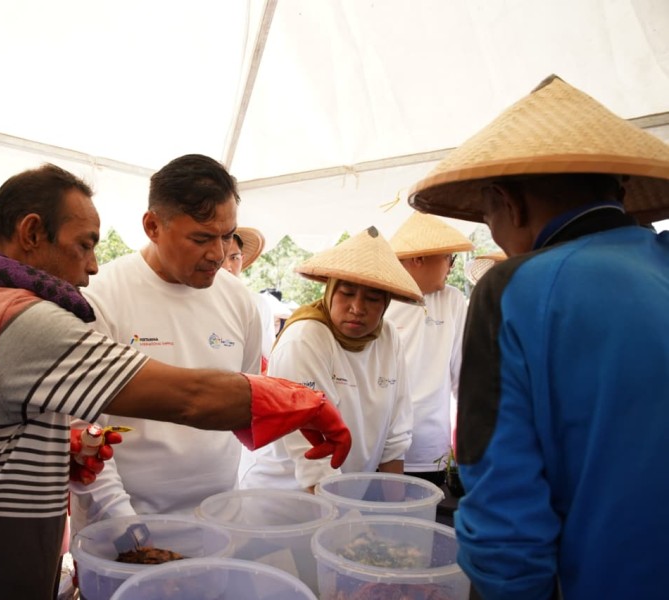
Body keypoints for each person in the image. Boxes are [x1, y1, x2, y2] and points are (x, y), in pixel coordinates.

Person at [0, 163, 351, 600]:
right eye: (84, 244)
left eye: (225, 237)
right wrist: (305, 403)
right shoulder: (19, 319)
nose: (92, 265)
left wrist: (65, 447)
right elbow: (190, 398)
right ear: (31, 233)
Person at [409, 74, 669, 599]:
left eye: (488, 216)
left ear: (509, 203)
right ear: (619, 191)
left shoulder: (512, 289)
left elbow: (505, 514)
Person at [69, 155, 266, 538]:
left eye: (227, 235)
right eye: (201, 238)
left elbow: (246, 402)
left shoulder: (239, 299)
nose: (219, 253)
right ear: (153, 226)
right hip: (122, 530)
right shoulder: (100, 298)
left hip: (219, 524)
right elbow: (85, 436)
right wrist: (129, 531)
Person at [239, 226, 424, 492]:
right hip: (286, 499)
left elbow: (395, 437)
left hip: (345, 497)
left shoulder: (388, 336)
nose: (357, 308)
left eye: (372, 298)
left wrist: (394, 515)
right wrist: (349, 526)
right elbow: (312, 456)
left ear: (386, 303)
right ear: (330, 291)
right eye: (347, 293)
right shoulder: (306, 338)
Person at [385, 211, 473, 490]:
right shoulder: (380, 299)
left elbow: (464, 375)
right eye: (449, 258)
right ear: (419, 258)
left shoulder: (452, 300)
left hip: (429, 450)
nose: (451, 267)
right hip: (381, 445)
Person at [222, 226, 277, 367]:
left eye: (234, 258)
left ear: (242, 259)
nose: (227, 266)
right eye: (220, 257)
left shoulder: (258, 304)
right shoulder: (194, 300)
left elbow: (267, 355)